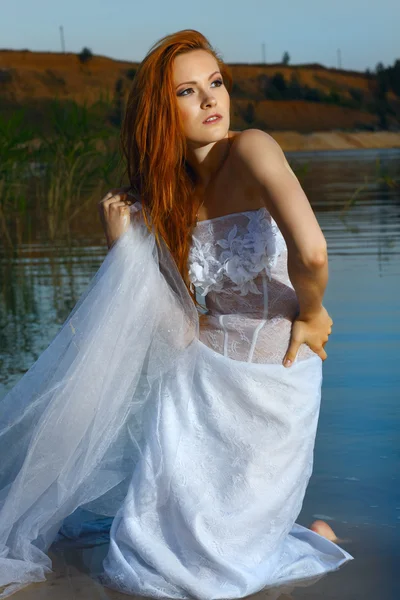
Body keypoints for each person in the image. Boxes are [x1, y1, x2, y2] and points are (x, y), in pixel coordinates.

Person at [0, 29, 353, 599]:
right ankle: (299, 541)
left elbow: (312, 252)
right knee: (170, 561)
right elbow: (175, 328)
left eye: (215, 83)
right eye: (187, 92)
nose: (211, 100)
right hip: (199, 381)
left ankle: (296, 542)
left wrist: (312, 313)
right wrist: (124, 246)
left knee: (187, 569)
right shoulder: (165, 194)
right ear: (160, 112)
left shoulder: (252, 146)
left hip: (268, 386)